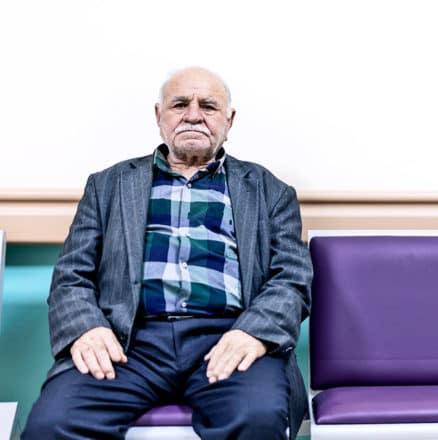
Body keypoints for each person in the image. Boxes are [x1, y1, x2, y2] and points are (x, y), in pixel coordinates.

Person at [23, 67, 312, 439]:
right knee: (53, 424)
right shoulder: (108, 185)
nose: (193, 114)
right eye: (180, 104)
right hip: (129, 343)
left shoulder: (270, 191)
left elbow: (292, 279)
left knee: (257, 419)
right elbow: (71, 274)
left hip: (228, 338)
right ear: (159, 116)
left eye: (208, 105)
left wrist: (253, 334)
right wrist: (86, 327)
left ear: (229, 120)